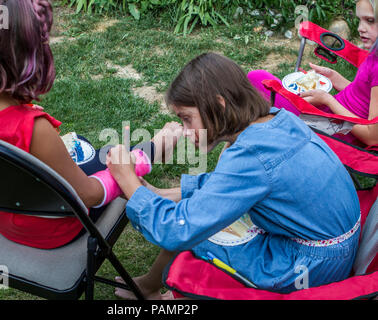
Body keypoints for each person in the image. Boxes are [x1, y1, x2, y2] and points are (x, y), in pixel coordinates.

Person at [0, 0, 182, 249]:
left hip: (1, 212)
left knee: (82, 146)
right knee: (112, 157)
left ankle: (144, 173)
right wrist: (128, 169)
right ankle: (157, 147)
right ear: (32, 55)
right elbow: (91, 196)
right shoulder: (33, 129)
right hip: (53, 229)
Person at [106, 53, 361, 299]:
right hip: (333, 245)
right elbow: (233, 185)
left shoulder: (250, 154)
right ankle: (150, 285)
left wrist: (129, 181)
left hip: (308, 266)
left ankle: (160, 292)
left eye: (187, 119)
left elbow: (177, 230)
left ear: (219, 105)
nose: (185, 131)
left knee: (199, 230)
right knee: (198, 213)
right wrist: (163, 194)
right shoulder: (276, 119)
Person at [248, 0, 378, 147]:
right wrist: (333, 77)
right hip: (330, 115)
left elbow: (372, 136)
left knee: (256, 79)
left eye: (370, 21)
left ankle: (250, 142)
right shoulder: (374, 53)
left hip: (333, 130)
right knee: (255, 83)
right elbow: (363, 96)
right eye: (359, 20)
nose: (361, 28)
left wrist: (328, 100)